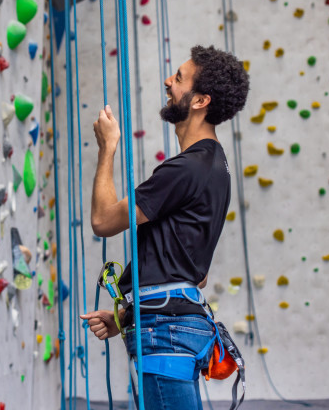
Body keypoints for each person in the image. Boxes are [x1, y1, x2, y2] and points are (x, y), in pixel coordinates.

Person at [80, 45, 249, 409]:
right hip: (177, 325)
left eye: (179, 78)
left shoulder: (187, 169)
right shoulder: (216, 166)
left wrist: (107, 148)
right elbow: (193, 272)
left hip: (167, 333)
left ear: (200, 101)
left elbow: (103, 220)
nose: (168, 81)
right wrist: (128, 315)